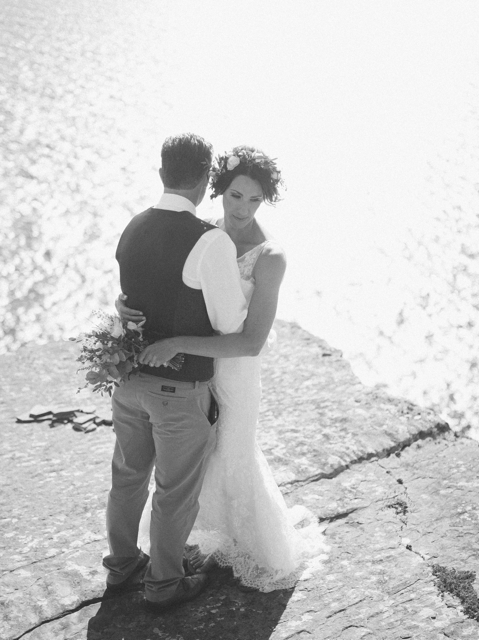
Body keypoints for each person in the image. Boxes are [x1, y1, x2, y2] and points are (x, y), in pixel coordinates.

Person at [119, 145, 326, 592]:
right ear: (217, 191)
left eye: (254, 200)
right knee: (197, 459)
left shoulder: (270, 257)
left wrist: (174, 343)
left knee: (232, 453)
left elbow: (251, 342)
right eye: (235, 196)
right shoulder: (205, 235)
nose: (242, 209)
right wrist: (127, 307)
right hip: (192, 373)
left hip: (233, 375)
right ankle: (196, 539)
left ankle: (253, 544)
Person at [103, 133, 248, 611]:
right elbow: (230, 325)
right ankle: (164, 583)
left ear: (162, 171)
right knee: (174, 489)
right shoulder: (210, 241)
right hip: (178, 389)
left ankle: (123, 564)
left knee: (127, 477)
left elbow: (131, 299)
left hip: (127, 383)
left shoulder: (133, 226)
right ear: (206, 177)